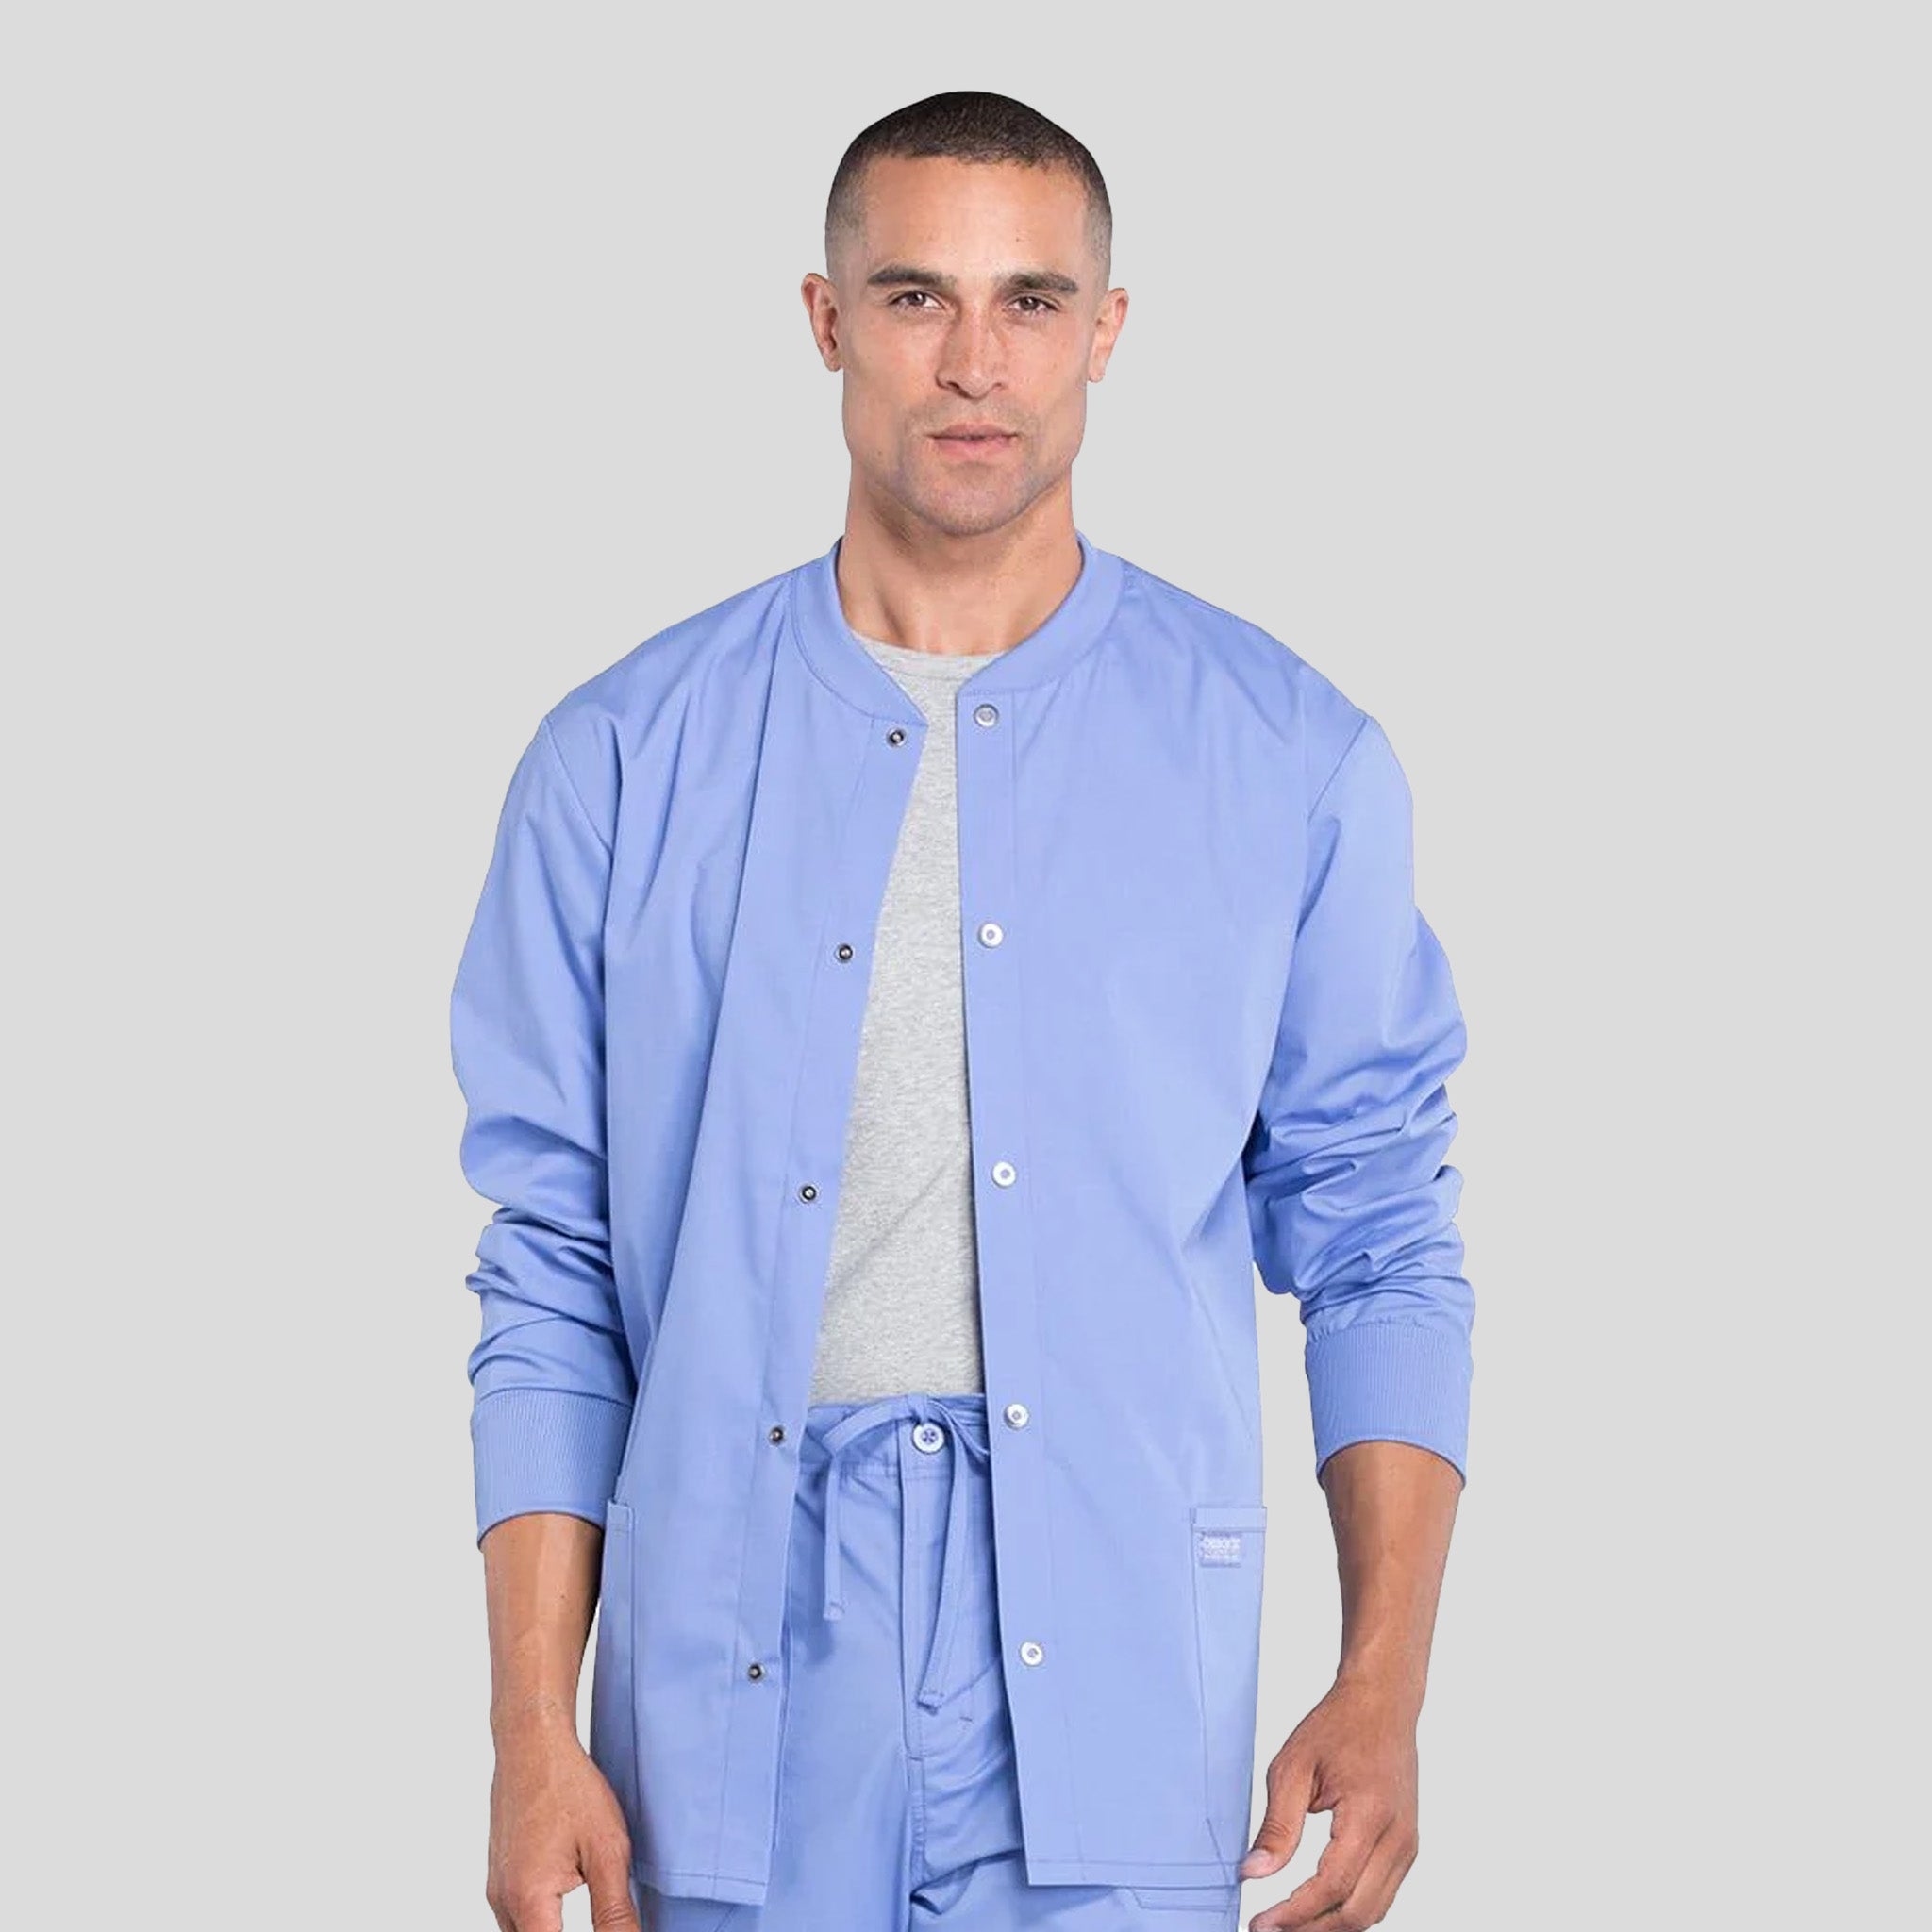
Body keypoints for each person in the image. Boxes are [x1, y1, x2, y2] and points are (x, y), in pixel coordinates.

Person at [450, 89, 1474, 1932]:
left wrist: (1384, 1680)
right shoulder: (621, 759)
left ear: (1107, 328)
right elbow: (552, 1271)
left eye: (1031, 300)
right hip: (726, 1699)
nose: (976, 362)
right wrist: (533, 1727)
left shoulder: (1283, 757)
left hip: (1122, 1676)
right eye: (917, 296)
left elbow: (1381, 1237)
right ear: (826, 318)